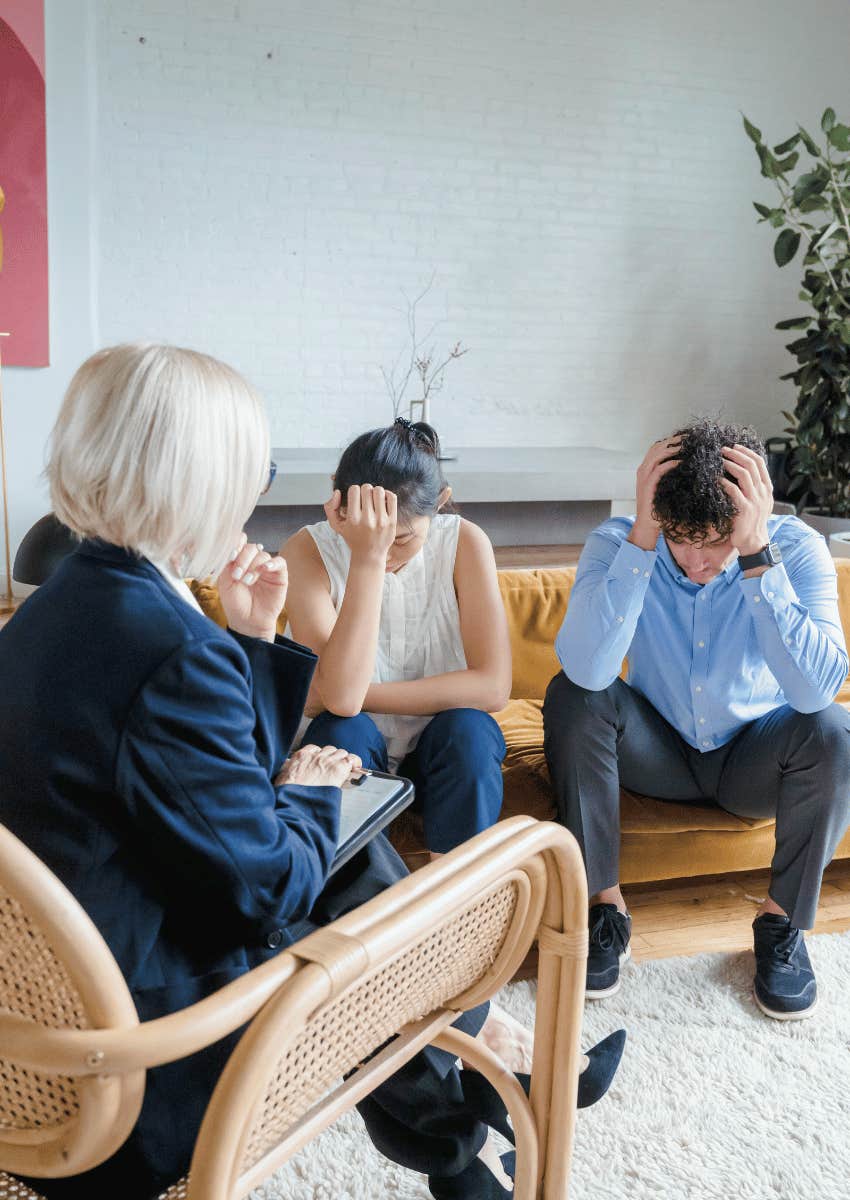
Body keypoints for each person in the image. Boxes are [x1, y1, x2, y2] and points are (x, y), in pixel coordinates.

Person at [0, 345, 620, 1200]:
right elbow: (266, 894)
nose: (253, 493)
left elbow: (196, 794)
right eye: (249, 472)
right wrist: (315, 793)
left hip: (53, 1021)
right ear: (197, 480)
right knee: (351, 871)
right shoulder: (173, 651)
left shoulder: (50, 613)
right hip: (148, 1064)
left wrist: (253, 645)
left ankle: (462, 1127)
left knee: (353, 852)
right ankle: (480, 1061)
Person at [543, 417, 850, 1020]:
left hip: (754, 761)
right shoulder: (619, 543)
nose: (697, 561)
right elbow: (586, 670)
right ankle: (605, 908)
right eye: (683, 538)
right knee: (573, 695)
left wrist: (758, 556)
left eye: (718, 542)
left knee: (835, 732)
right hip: (657, 752)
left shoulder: (795, 547)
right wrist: (643, 537)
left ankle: (781, 924)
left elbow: (816, 693)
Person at [282, 417, 512, 858]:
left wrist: (351, 691)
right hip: (348, 749)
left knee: (472, 730)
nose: (385, 551)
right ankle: (357, 901)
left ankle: (456, 901)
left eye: (401, 539)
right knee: (341, 728)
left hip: (437, 755)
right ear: (337, 499)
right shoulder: (306, 550)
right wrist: (364, 560)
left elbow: (492, 687)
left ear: (441, 502)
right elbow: (342, 707)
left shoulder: (466, 542)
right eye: (369, 535)